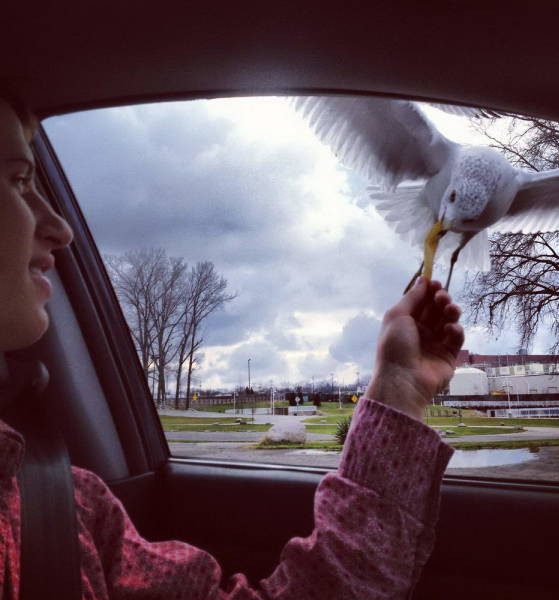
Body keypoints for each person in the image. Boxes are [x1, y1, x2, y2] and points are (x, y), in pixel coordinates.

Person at [0, 93, 464, 599]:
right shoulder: (58, 511)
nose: (61, 229)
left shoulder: (65, 511)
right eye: (19, 181)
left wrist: (398, 386)